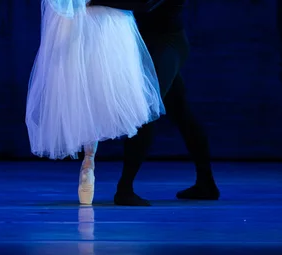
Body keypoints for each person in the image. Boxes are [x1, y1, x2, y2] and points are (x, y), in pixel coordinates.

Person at [25, 0, 165, 205]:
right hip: (103, 22)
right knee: (94, 90)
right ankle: (89, 161)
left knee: (86, 90)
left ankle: (89, 161)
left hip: (88, 22)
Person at [90, 0, 220, 206]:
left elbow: (145, 4)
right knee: (181, 112)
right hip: (146, 45)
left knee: (145, 111)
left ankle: (125, 189)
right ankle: (206, 184)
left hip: (167, 44)